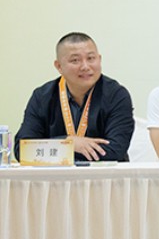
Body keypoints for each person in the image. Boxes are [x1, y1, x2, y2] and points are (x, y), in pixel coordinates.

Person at [14, 32, 134, 162]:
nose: (85, 67)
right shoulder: (42, 97)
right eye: (75, 60)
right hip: (55, 175)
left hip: (105, 174)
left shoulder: (117, 95)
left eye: (91, 58)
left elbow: (115, 151)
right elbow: (23, 150)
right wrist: (67, 142)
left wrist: (61, 148)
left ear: (99, 59)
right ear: (59, 66)